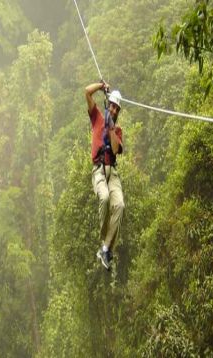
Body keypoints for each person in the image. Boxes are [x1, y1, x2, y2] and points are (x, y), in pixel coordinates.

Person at [85, 81, 125, 270]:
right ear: (107, 105)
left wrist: (110, 128)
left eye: (117, 109)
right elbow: (87, 92)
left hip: (112, 172)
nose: (114, 111)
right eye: (112, 106)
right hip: (99, 170)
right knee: (105, 197)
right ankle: (103, 242)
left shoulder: (117, 131)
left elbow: (116, 149)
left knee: (119, 205)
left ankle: (106, 248)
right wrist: (101, 86)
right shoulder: (97, 118)